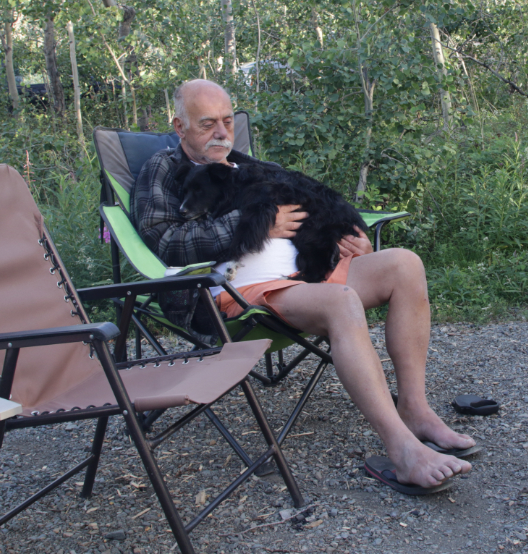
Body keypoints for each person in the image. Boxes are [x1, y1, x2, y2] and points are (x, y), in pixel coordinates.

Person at [133, 79, 474, 490]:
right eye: (207, 124)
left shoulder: (244, 164)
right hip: (241, 292)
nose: (223, 132)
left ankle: (416, 410)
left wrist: (350, 238)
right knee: (341, 301)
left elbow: (314, 204)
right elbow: (165, 243)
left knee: (405, 264)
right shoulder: (164, 170)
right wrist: (255, 226)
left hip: (304, 274)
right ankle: (402, 450)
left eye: (227, 120)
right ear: (179, 127)